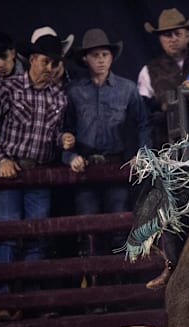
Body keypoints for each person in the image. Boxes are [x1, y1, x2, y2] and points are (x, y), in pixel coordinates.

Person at [0, 31, 70, 321]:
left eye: (55, 63)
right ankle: (3, 300)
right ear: (32, 59)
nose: (51, 68)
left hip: (38, 171)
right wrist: (1, 158)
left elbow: (51, 137)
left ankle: (30, 300)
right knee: (6, 233)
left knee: (37, 236)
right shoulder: (9, 87)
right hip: (8, 168)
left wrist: (63, 139)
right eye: (46, 61)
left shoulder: (59, 96)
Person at [63, 28, 151, 259]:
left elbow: (143, 124)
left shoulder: (128, 89)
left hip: (116, 165)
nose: (101, 60)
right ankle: (93, 283)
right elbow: (65, 129)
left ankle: (119, 278)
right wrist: (70, 155)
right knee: (88, 229)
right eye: (95, 55)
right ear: (85, 59)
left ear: (112, 57)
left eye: (105, 54)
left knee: (119, 225)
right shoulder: (74, 91)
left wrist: (141, 154)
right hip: (86, 166)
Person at [138, 8, 189, 148]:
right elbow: (144, 114)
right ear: (160, 39)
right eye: (167, 35)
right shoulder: (148, 71)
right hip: (165, 145)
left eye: (178, 34)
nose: (173, 39)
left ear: (187, 36)